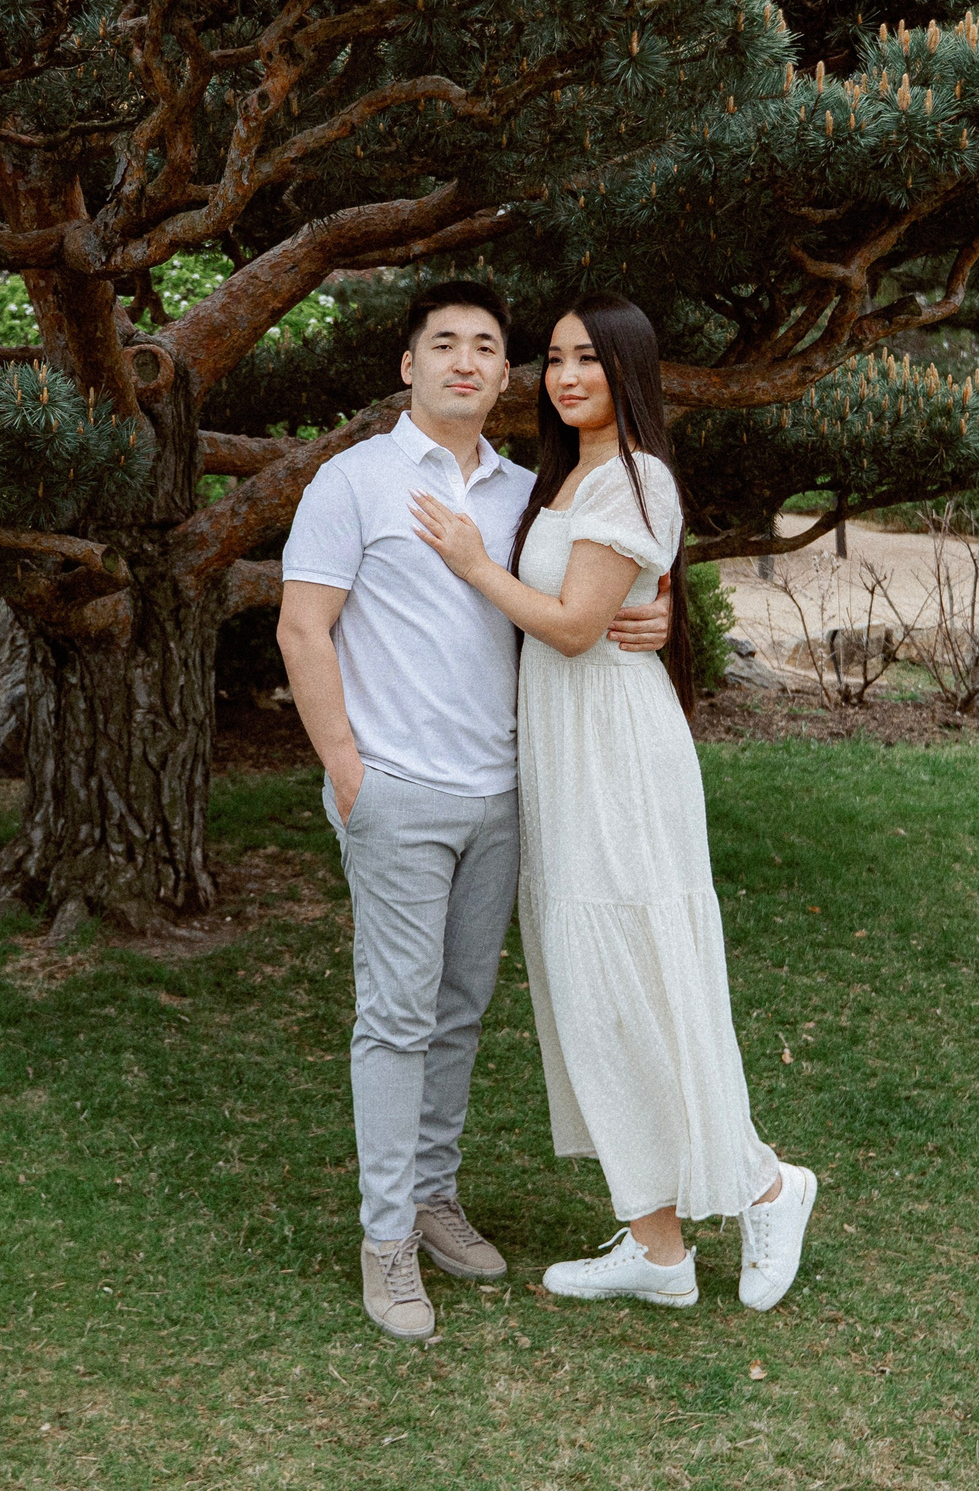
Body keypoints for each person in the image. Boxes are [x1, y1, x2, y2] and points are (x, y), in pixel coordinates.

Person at [277, 281, 672, 1342]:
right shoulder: (350, 481)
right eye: (441, 342)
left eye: (487, 346)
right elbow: (302, 630)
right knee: (395, 1016)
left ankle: (432, 1197)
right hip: (396, 792)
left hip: (505, 792)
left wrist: (654, 610)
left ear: (507, 377)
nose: (464, 359)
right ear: (406, 365)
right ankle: (385, 1241)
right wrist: (348, 769)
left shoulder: (528, 493)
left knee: (457, 1012)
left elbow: (581, 587)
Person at [409, 293, 817, 1312]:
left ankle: (768, 1180)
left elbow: (577, 625)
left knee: (641, 975)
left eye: (587, 358)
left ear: (628, 369)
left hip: (617, 760)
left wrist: (468, 562)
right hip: (566, 752)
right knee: (590, 990)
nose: (565, 375)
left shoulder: (633, 480)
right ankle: (657, 1242)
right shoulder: (570, 477)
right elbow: (593, 602)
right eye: (552, 358)